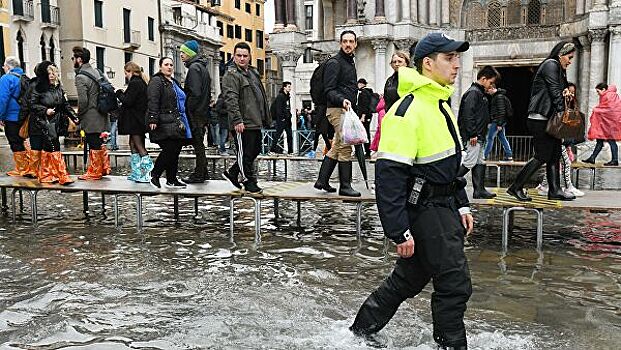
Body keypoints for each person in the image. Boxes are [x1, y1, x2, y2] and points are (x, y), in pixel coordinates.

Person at [350, 32, 473, 350]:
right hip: (426, 211)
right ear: (428, 64)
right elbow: (389, 178)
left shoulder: (439, 104)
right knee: (455, 284)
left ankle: (359, 334)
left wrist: (462, 204)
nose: (456, 65)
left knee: (408, 280)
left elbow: (450, 164)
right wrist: (398, 231)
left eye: (457, 58)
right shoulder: (406, 111)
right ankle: (451, 346)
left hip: (444, 207)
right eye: (450, 58)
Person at [507, 41, 577, 201]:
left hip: (549, 118)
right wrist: (564, 118)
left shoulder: (557, 68)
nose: (570, 61)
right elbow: (555, 93)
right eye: (569, 57)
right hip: (541, 118)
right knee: (542, 155)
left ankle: (555, 190)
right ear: (561, 54)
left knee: (554, 155)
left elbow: (560, 93)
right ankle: (515, 187)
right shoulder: (551, 65)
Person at [313, 30, 361, 197]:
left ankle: (322, 180)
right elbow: (329, 90)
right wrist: (342, 100)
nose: (348, 44)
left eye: (351, 41)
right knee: (346, 145)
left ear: (355, 44)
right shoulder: (335, 63)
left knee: (338, 145)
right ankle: (345, 186)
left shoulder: (349, 62)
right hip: (337, 109)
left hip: (345, 110)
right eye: (345, 41)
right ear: (340, 43)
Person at [221, 42, 271, 194]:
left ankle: (232, 173)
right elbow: (231, 98)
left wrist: (265, 118)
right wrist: (237, 120)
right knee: (245, 152)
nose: (242, 58)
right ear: (234, 57)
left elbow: (260, 96)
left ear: (250, 57)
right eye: (239, 56)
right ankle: (248, 181)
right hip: (243, 122)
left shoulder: (254, 73)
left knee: (254, 150)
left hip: (255, 120)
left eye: (245, 56)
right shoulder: (231, 75)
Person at [147, 57, 192, 189]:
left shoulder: (174, 82)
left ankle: (171, 179)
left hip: (175, 121)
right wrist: (152, 118)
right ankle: (155, 174)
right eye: (166, 64)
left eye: (171, 65)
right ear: (160, 67)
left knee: (176, 148)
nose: (169, 67)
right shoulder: (156, 81)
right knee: (170, 148)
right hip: (162, 121)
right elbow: (152, 100)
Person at [29, 61, 77, 185]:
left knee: (48, 148)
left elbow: (65, 105)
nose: (51, 75)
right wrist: (45, 110)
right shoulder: (38, 88)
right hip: (44, 122)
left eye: (53, 73)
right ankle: (62, 175)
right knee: (54, 146)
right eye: (49, 73)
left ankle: (46, 174)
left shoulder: (59, 88)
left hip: (56, 122)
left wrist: (74, 117)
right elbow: (32, 104)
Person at [457, 65, 499, 199]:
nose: (491, 86)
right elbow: (468, 114)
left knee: (480, 161)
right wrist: (472, 133)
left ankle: (479, 190)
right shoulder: (474, 93)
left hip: (479, 134)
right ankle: (448, 182)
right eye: (491, 82)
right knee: (470, 161)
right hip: (474, 135)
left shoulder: (479, 93)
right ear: (483, 79)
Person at [536, 82, 584, 197]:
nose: (571, 94)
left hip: (561, 138)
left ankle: (543, 186)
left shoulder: (567, 103)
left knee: (554, 162)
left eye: (573, 92)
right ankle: (568, 187)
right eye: (570, 92)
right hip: (558, 137)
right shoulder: (559, 103)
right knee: (564, 162)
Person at [72, 46, 112, 181]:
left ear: (79, 59)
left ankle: (94, 172)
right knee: (99, 142)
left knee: (93, 142)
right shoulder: (98, 72)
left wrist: (79, 115)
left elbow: (83, 100)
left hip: (91, 116)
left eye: (73, 58)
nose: (73, 61)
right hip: (102, 113)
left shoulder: (81, 77)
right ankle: (103, 168)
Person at [180, 40, 212, 183]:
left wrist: (187, 109)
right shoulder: (202, 68)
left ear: (191, 54)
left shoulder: (194, 68)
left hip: (195, 113)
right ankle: (203, 173)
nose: (181, 54)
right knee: (199, 144)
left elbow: (195, 92)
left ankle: (199, 174)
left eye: (184, 52)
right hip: (203, 111)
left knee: (198, 144)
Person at [116, 61, 152, 183]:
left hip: (136, 121)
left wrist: (119, 93)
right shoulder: (140, 83)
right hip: (137, 120)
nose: (125, 76)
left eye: (126, 73)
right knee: (132, 144)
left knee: (138, 145)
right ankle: (136, 172)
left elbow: (128, 101)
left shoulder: (135, 83)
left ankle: (147, 172)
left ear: (130, 71)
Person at [371, 52, 411, 154]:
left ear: (406, 63)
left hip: (408, 118)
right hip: (392, 117)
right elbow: (387, 100)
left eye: (400, 61)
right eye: (394, 62)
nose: (397, 64)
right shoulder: (390, 80)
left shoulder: (411, 78)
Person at [0, 56, 29, 176]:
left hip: (11, 116)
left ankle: (21, 169)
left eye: (4, 66)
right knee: (22, 140)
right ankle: (28, 167)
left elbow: (3, 99)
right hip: (25, 116)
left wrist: (0, 116)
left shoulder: (6, 78)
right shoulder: (25, 77)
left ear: (8, 66)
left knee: (15, 141)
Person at [582, 82, 620, 166]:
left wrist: (597, 110)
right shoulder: (610, 95)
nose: (598, 94)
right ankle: (592, 158)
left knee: (611, 141)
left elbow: (610, 109)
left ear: (604, 89)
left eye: (598, 91)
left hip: (609, 124)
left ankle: (615, 160)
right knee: (599, 141)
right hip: (606, 123)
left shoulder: (608, 95)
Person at [483, 87, 513, 161]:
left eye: (488, 91)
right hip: (499, 121)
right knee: (502, 138)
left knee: (489, 138)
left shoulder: (498, 97)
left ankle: (484, 156)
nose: (488, 93)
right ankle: (509, 156)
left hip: (497, 122)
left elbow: (501, 111)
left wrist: (499, 123)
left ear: (492, 88)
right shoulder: (499, 96)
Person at [269, 81, 293, 155]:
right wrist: (282, 118)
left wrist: (289, 115)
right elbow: (279, 109)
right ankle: (272, 150)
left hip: (287, 119)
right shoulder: (280, 96)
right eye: (288, 87)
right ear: (284, 87)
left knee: (289, 135)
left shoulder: (287, 96)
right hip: (282, 119)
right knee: (278, 135)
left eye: (290, 86)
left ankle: (290, 151)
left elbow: (287, 108)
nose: (290, 88)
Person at [356, 78, 374, 157]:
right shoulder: (366, 92)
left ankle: (367, 151)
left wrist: (363, 116)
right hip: (366, 115)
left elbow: (365, 105)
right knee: (364, 133)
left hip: (364, 116)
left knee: (364, 133)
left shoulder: (364, 93)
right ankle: (365, 151)